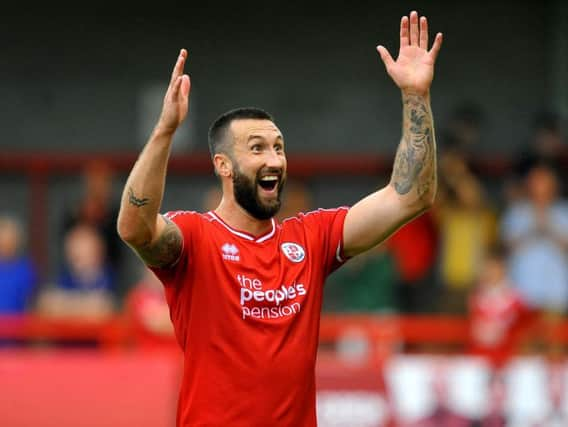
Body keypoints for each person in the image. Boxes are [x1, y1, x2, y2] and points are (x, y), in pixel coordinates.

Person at [117, 11, 442, 426]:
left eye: (279, 147)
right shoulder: (195, 238)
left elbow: (411, 196)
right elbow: (134, 227)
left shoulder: (311, 237)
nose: (274, 159)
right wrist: (165, 133)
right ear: (224, 165)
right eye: (257, 148)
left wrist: (416, 95)